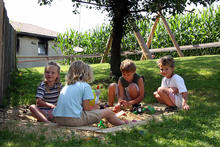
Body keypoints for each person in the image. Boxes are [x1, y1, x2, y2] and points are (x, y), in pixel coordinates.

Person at [52, 60, 126, 127]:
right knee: (108, 112)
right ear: (86, 73)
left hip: (59, 119)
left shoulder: (66, 86)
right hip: (73, 120)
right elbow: (87, 108)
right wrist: (97, 107)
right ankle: (124, 124)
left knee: (90, 116)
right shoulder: (85, 86)